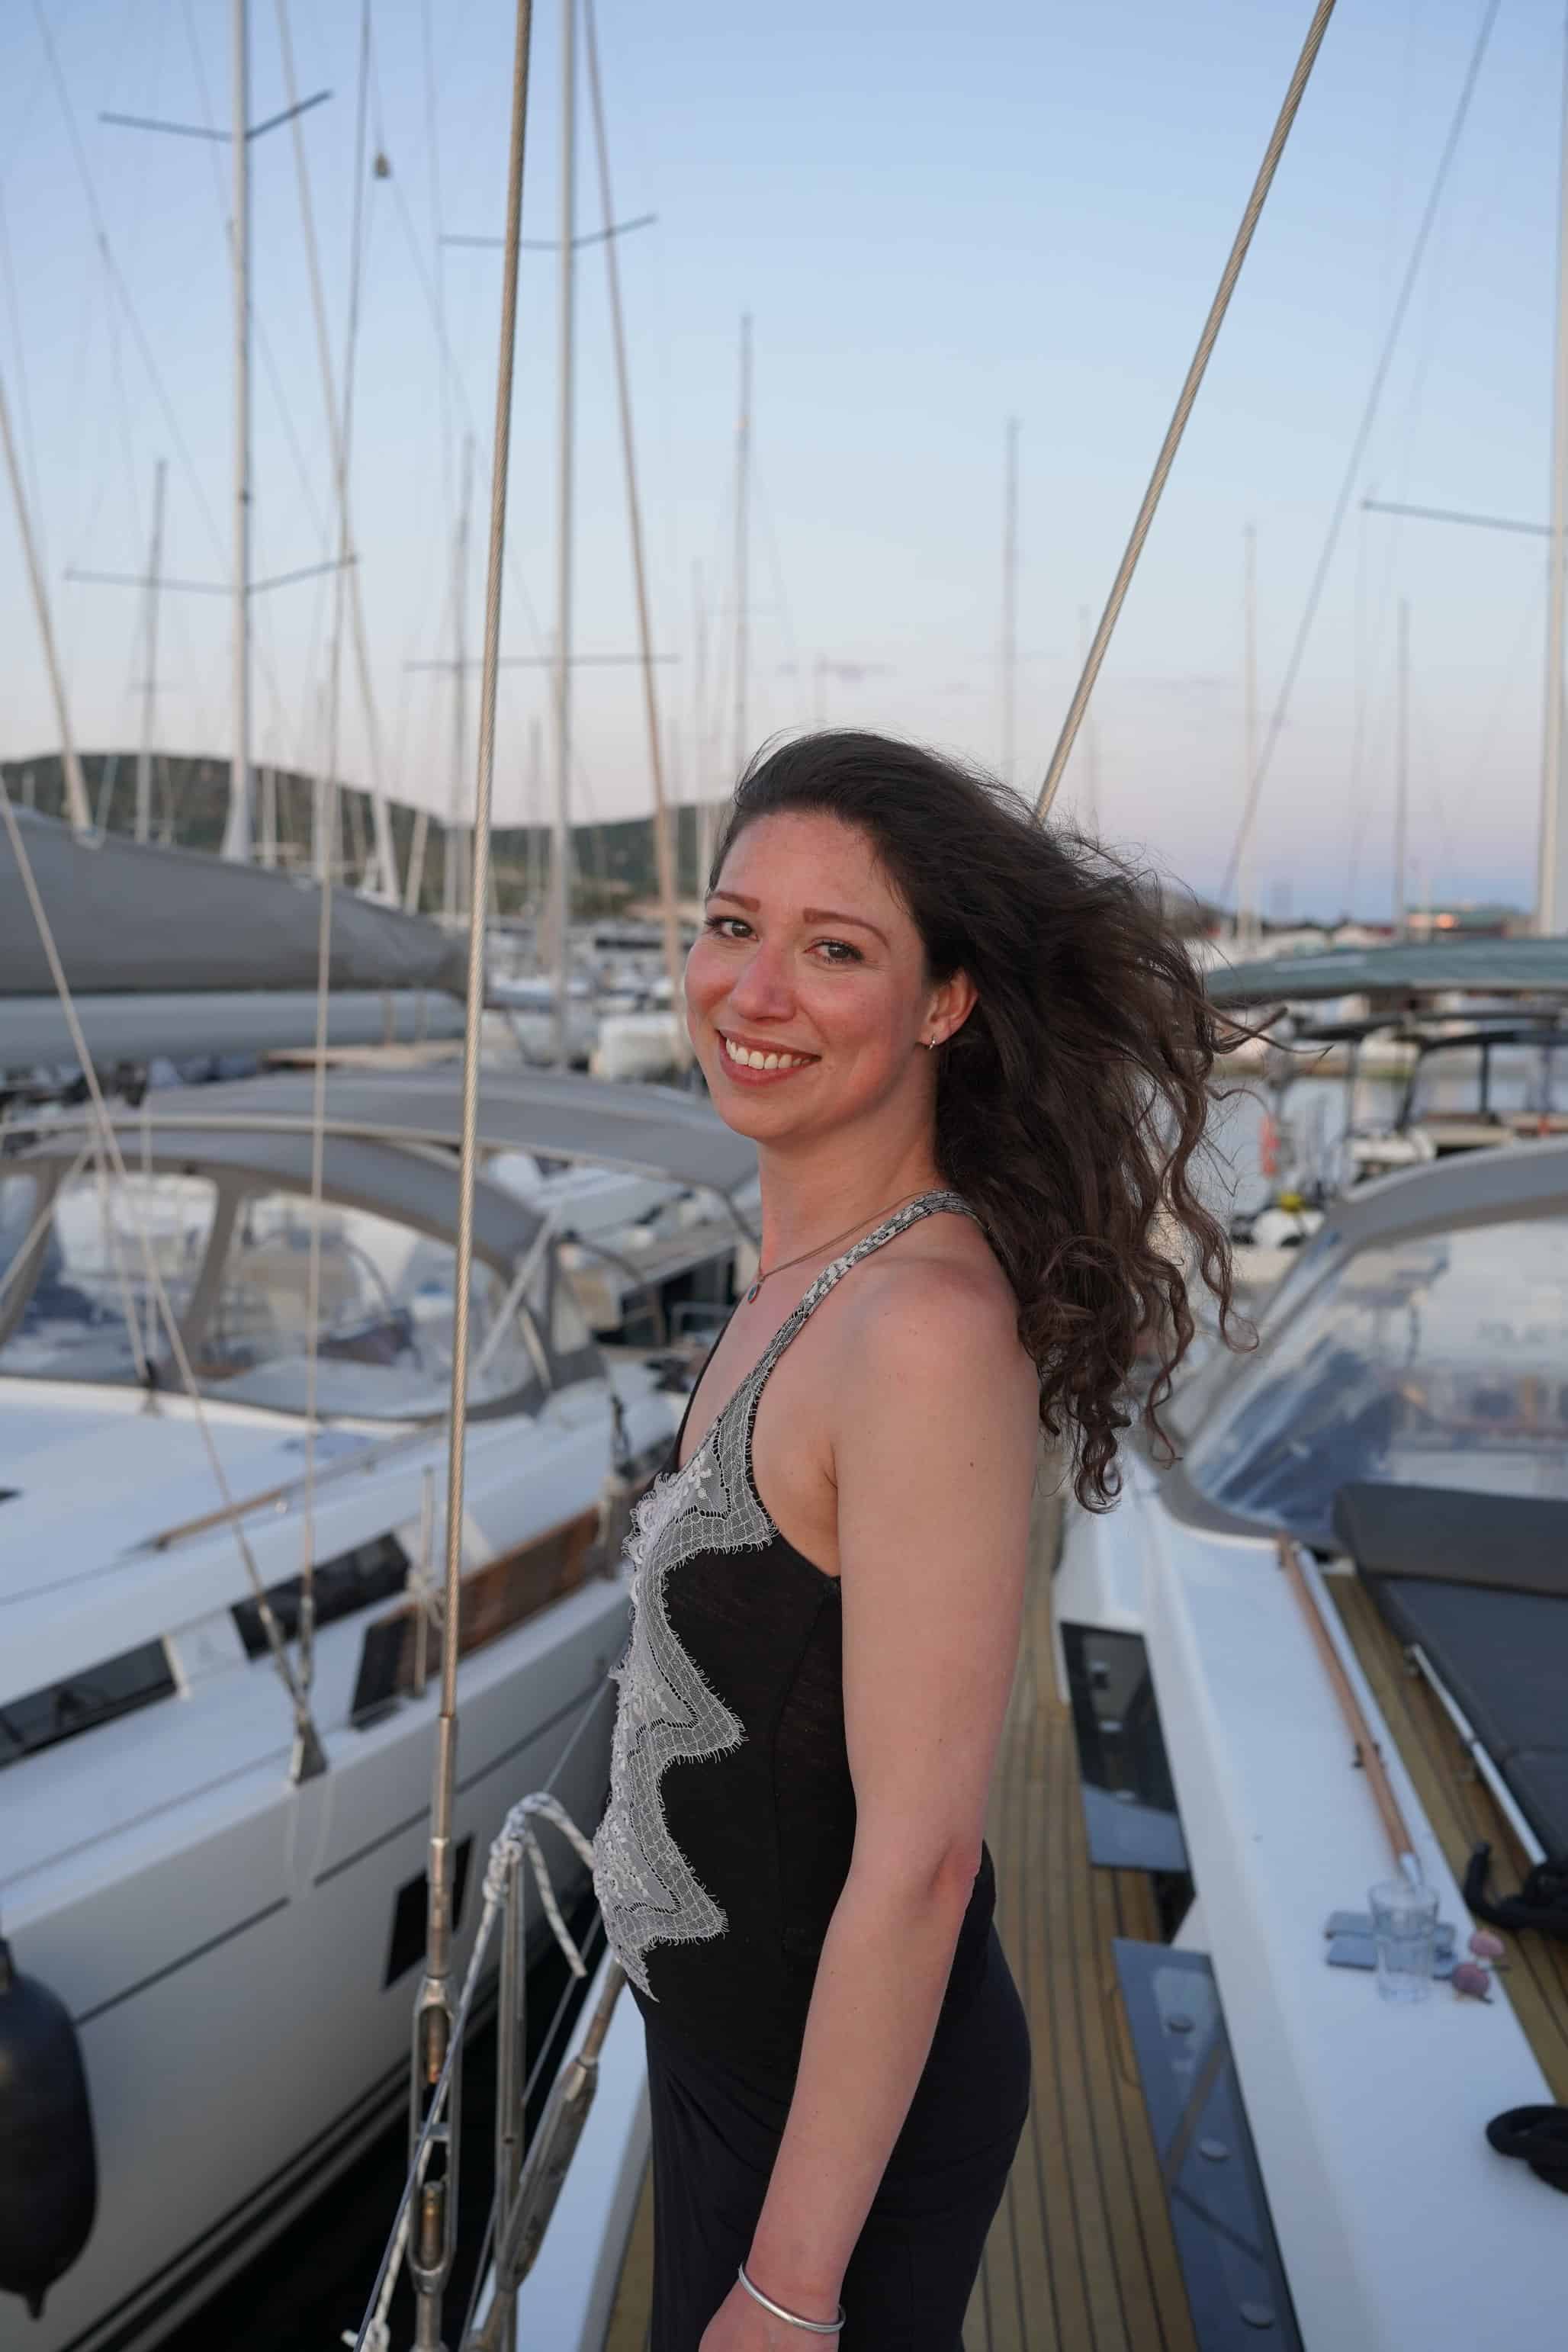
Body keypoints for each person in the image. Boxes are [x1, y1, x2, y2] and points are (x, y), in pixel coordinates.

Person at [590, 731, 1235, 2350]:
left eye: (834, 950)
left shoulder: (923, 1335)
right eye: (732, 926)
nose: (752, 992)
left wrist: (790, 2292)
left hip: (835, 2126)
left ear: (943, 1002)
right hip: (743, 2061)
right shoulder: (802, 1280)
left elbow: (927, 1853)